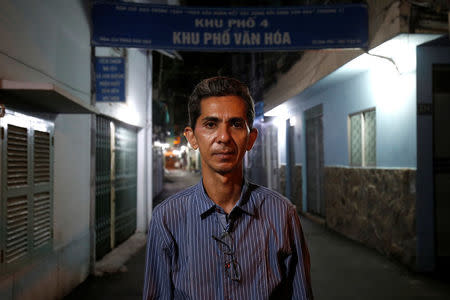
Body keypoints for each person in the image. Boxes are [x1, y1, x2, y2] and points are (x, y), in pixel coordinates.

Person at [143, 76, 313, 300]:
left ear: (251, 139)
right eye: (211, 124)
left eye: (235, 124)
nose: (223, 137)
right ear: (192, 138)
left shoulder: (282, 214)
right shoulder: (167, 219)